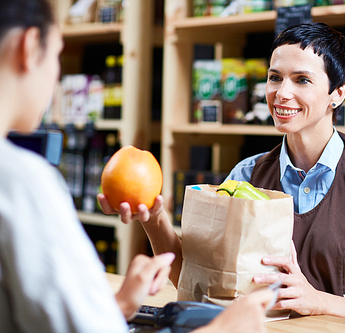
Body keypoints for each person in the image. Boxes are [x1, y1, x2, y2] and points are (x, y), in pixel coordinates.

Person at [99, 23, 345, 331]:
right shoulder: (245, 176)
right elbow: (195, 276)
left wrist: (317, 301)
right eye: (275, 77)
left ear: (338, 93)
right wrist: (154, 218)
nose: (281, 93)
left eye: (302, 80)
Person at [0, 0, 273, 332]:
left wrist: (119, 306)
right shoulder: (21, 178)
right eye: (58, 54)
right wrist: (223, 329)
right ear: (29, 47)